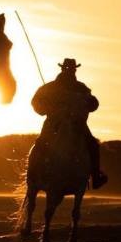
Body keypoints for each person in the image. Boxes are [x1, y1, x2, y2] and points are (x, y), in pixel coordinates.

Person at [31, 58, 107, 189]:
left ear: (74, 70)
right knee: (40, 145)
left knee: (93, 144)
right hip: (53, 125)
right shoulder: (49, 87)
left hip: (78, 125)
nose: (70, 71)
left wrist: (88, 101)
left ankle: (95, 176)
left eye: (72, 69)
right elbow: (36, 103)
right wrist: (46, 108)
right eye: (68, 69)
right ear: (63, 69)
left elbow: (94, 105)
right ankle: (33, 174)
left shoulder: (82, 88)